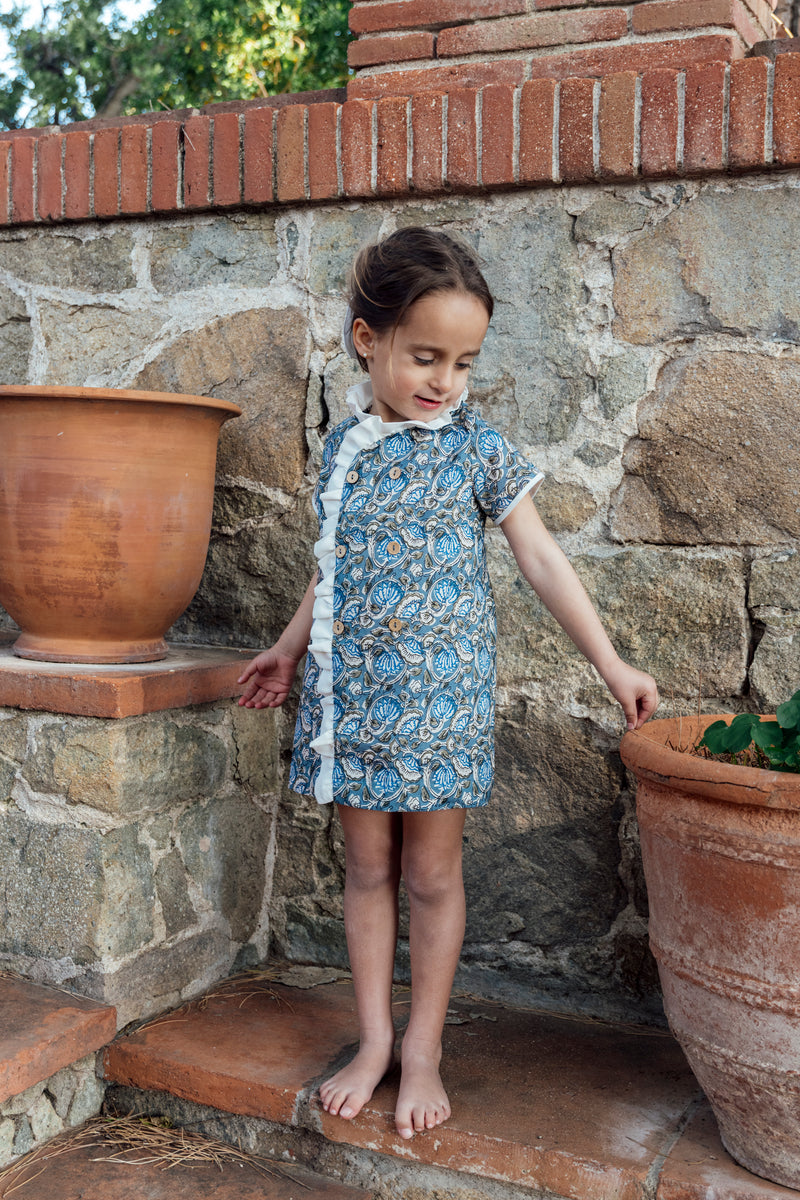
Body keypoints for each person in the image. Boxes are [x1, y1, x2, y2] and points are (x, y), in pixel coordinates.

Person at [238, 226, 658, 1142]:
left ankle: (424, 1049)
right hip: (350, 703)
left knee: (430, 874)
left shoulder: (476, 449)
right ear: (367, 340)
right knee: (366, 869)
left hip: (438, 704)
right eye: (426, 356)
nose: (445, 380)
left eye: (464, 362)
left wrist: (613, 663)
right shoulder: (342, 452)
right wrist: (287, 648)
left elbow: (543, 560)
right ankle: (375, 1041)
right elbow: (330, 568)